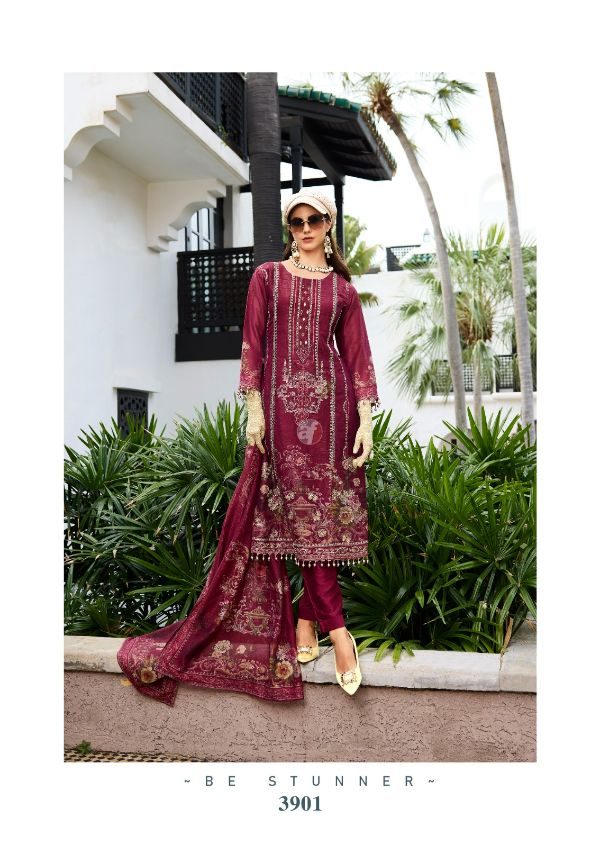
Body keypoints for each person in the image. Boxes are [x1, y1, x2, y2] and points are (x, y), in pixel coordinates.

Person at [117, 189, 379, 705]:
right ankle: (339, 633)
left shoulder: (343, 291)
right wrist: (254, 410)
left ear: (329, 224)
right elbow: (252, 345)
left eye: (314, 219)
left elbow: (357, 357)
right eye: (296, 221)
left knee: (321, 520)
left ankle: (307, 623)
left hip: (334, 415)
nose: (305, 228)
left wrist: (366, 421)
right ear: (290, 228)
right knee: (297, 517)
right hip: (280, 416)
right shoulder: (268, 277)